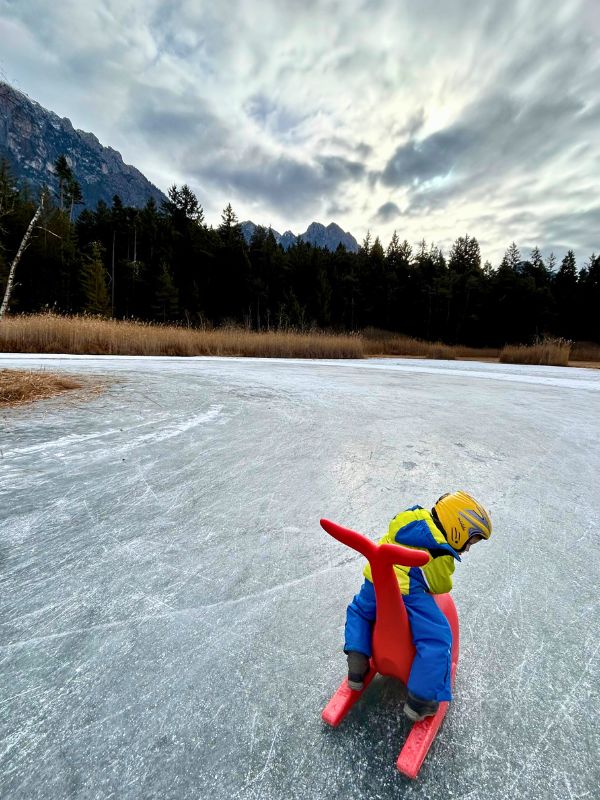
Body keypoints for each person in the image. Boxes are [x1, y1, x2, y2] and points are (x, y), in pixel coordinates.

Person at [344, 491, 492, 722]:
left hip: (374, 579)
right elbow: (440, 585)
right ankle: (420, 700)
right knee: (438, 638)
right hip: (407, 593)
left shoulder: (410, 519)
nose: (468, 548)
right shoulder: (440, 550)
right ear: (458, 529)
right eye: (470, 541)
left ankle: (356, 661)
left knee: (359, 611)